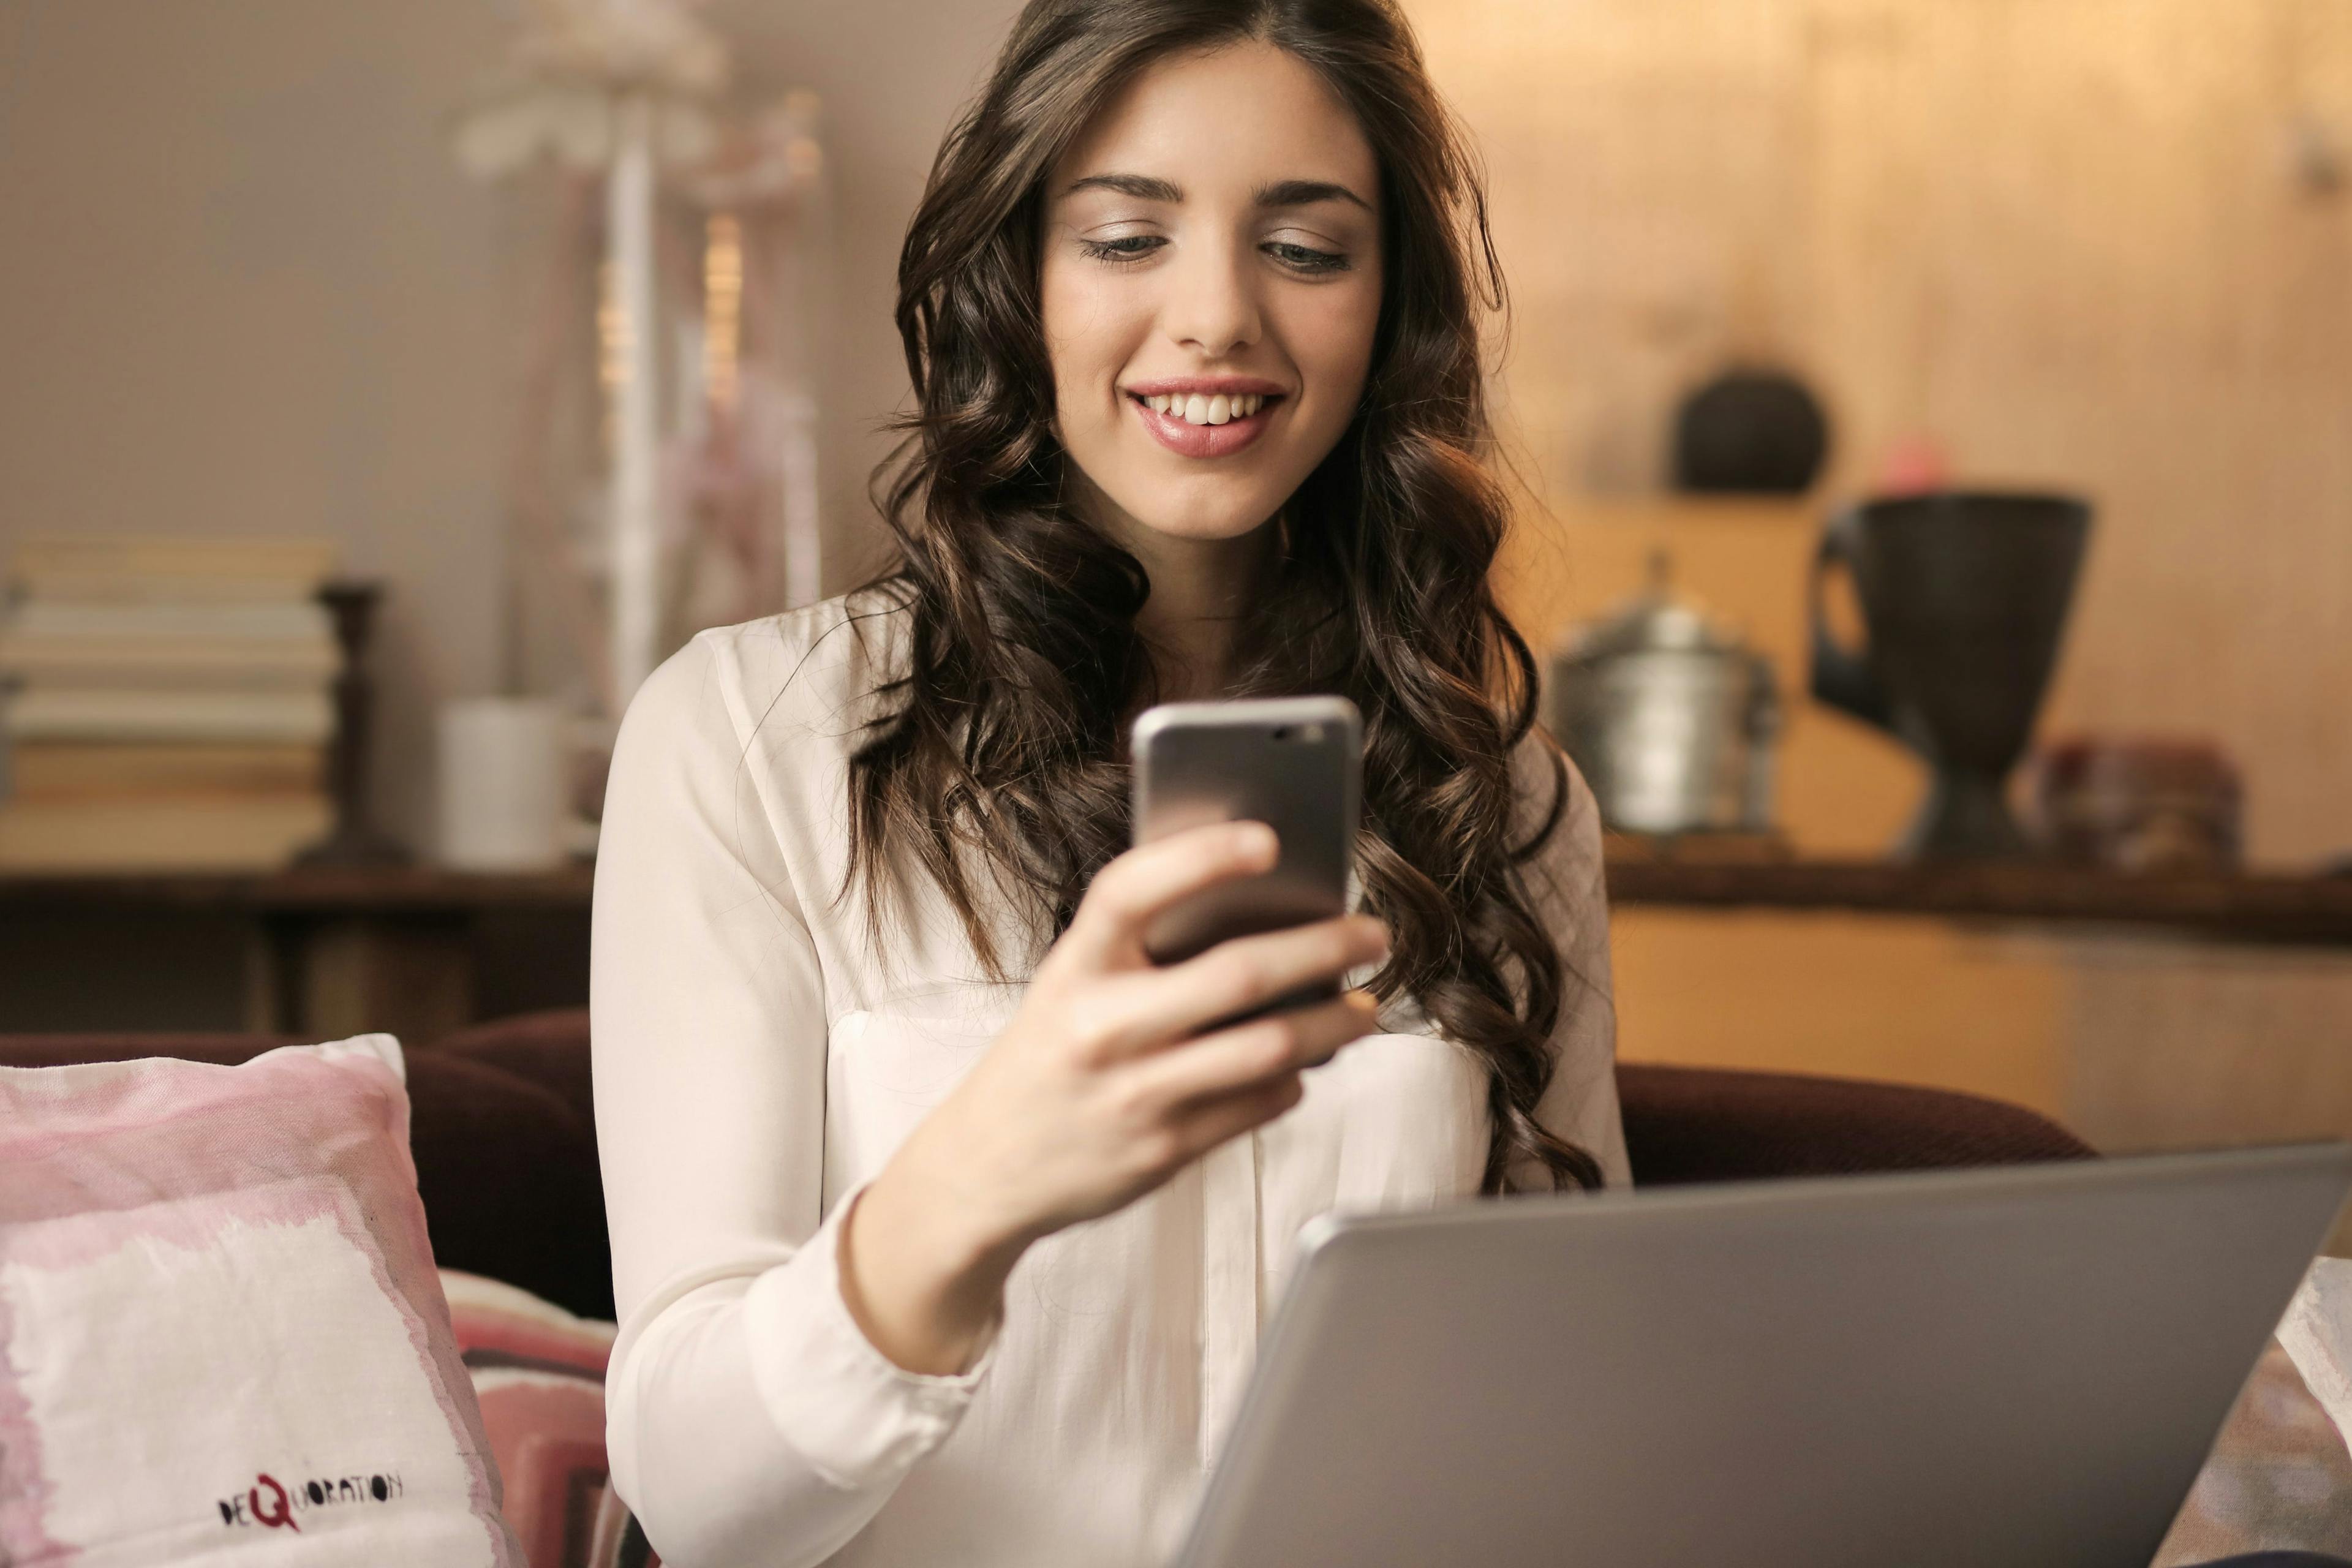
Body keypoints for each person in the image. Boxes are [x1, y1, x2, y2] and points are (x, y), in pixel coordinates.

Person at [589, 1, 1629, 1563]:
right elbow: (696, 1491)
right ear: (1020, 279)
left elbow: (1582, 1407)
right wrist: (983, 1171)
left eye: (1307, 247)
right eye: (1128, 237)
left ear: (1387, 303)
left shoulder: (1506, 804)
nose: (1217, 317)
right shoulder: (752, 739)